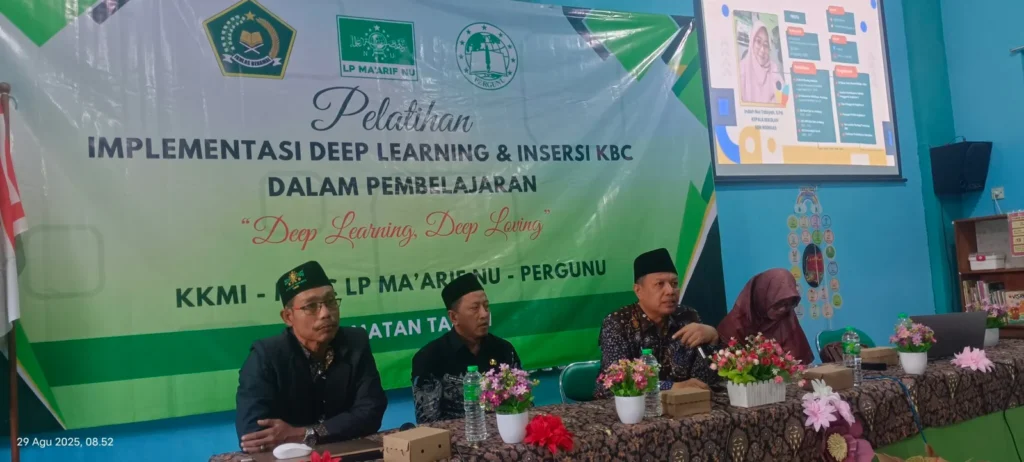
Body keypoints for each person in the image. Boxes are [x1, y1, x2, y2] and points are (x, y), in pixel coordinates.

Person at [235, 261, 387, 454]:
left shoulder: (355, 342)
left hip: (348, 454)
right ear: (288, 317)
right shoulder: (265, 357)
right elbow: (254, 436)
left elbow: (371, 411)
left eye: (331, 301)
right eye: (311, 306)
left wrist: (306, 433)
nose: (325, 313)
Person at [595, 248, 721, 399]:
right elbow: (615, 384)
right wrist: (671, 387)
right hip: (630, 409)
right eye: (660, 284)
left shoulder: (687, 317)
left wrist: (713, 339)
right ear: (638, 291)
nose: (670, 291)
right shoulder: (618, 323)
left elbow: (703, 382)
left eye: (674, 283)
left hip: (682, 404)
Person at [411, 272, 520, 423]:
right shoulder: (429, 358)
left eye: (486, 306)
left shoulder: (504, 350)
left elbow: (521, 404)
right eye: (475, 308)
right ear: (453, 317)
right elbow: (428, 423)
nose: (484, 314)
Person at [717, 268, 815, 365]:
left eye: (788, 304)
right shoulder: (734, 325)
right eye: (777, 303)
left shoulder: (786, 318)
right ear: (761, 297)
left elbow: (799, 364)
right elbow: (728, 366)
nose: (782, 309)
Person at [739, 20, 783, 104]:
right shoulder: (741, 69)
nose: (762, 50)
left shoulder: (773, 68)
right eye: (758, 42)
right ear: (752, 42)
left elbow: (783, 99)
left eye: (766, 45)